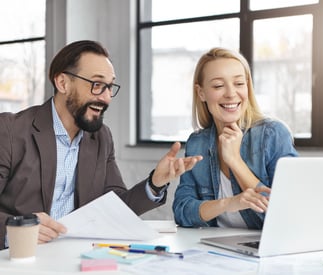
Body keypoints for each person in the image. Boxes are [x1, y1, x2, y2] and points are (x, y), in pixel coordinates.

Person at [0, 40, 202, 250]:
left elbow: (116, 207)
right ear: (62, 83)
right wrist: (16, 229)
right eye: (97, 85)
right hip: (18, 258)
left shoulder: (101, 138)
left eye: (109, 87)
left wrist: (155, 183)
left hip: (73, 255)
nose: (106, 98)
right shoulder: (10, 131)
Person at [173, 47, 298, 229]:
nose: (231, 93)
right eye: (218, 86)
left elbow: (289, 214)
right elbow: (182, 211)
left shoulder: (272, 135)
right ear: (201, 93)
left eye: (239, 83)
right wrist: (228, 203)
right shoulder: (197, 143)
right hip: (218, 249)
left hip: (264, 250)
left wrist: (235, 161)